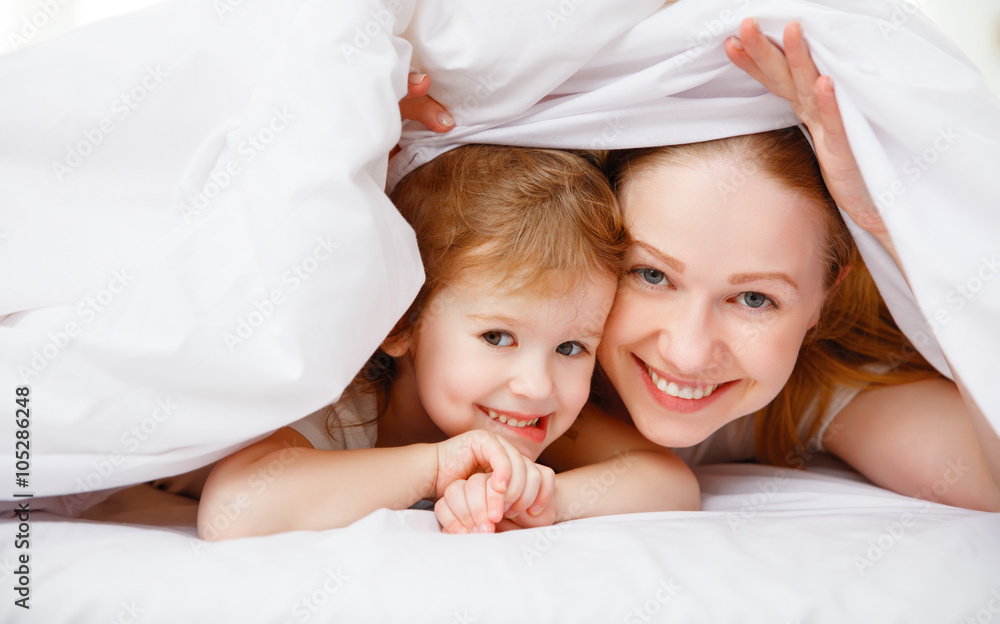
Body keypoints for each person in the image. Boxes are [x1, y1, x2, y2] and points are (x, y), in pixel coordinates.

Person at [587, 18, 1000, 512]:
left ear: (822, 300)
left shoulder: (802, 393)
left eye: (755, 299)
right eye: (652, 275)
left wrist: (887, 226)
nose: (688, 354)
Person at [197, 144, 700, 540]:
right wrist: (436, 467)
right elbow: (232, 511)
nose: (535, 383)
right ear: (401, 323)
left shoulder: (538, 412)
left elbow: (671, 482)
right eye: (497, 336)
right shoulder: (346, 409)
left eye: (571, 348)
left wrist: (549, 500)